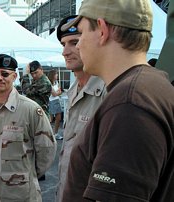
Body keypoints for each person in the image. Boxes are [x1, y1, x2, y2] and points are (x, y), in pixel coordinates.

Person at [61, 0, 174, 201]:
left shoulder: (130, 103)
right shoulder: (151, 85)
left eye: (82, 33)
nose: (78, 44)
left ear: (102, 31)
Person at [0, 54, 57, 201]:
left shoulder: (31, 109)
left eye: (5, 74)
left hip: (22, 195)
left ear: (14, 77)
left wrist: (27, 175)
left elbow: (47, 149)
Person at [55, 15, 105, 202]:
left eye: (74, 42)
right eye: (63, 44)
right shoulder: (73, 90)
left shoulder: (109, 92)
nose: (65, 52)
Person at [47, 69, 63, 140]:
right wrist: (58, 92)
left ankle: (54, 133)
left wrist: (58, 92)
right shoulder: (49, 84)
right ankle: (50, 133)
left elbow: (59, 91)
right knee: (51, 119)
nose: (57, 75)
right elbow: (54, 94)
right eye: (56, 74)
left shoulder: (56, 82)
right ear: (52, 75)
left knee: (57, 118)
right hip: (52, 101)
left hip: (56, 101)